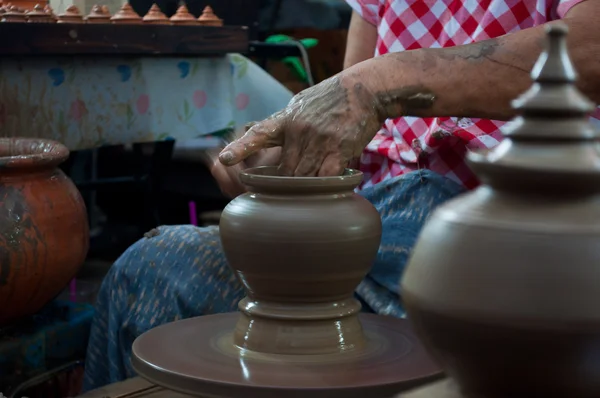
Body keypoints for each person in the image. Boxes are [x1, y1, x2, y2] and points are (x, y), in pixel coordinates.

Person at [83, 0, 600, 391]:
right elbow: (351, 123)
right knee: (150, 268)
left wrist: (383, 81)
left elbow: (590, 49)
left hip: (513, 226)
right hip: (374, 218)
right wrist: (290, 154)